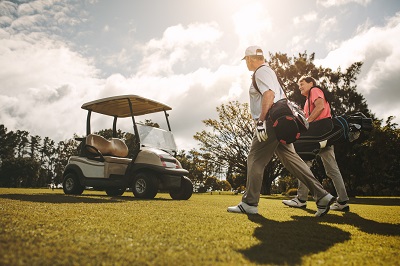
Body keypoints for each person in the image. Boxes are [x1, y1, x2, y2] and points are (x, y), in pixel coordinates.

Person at [227, 46, 335, 217]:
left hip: (270, 121)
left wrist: (261, 121)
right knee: (292, 161)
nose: (246, 63)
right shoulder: (269, 71)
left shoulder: (260, 72)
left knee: (255, 159)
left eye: (246, 60)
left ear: (249, 58)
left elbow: (269, 94)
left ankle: (249, 203)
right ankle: (322, 195)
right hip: (281, 122)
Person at [282, 76, 350, 211]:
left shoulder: (315, 90)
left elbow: (320, 107)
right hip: (325, 137)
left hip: (319, 134)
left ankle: (301, 199)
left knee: (305, 163)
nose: (300, 87)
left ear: (311, 83)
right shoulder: (307, 100)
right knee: (332, 169)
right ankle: (343, 201)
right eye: (298, 85)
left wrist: (306, 123)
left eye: (302, 83)